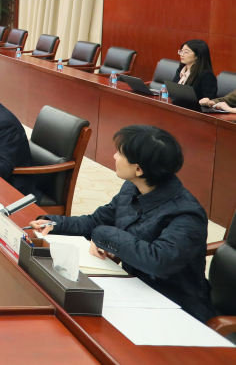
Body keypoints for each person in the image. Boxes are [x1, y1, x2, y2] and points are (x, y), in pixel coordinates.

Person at [30, 125, 215, 322]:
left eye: (120, 153)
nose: (114, 156)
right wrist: (55, 223)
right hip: (131, 286)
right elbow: (97, 220)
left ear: (139, 169)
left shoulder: (187, 214)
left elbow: (158, 261)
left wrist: (103, 235)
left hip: (173, 305)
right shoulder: (132, 188)